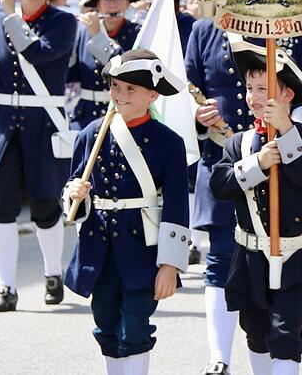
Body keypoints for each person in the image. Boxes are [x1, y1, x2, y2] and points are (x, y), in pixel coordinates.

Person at [186, 0, 302, 375]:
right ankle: (219, 356)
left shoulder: (295, 21)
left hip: (289, 150)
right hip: (229, 150)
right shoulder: (205, 30)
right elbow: (190, 88)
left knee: (283, 326)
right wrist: (200, 119)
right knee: (223, 260)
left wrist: (288, 133)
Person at [63, 49, 190, 375]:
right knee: (105, 324)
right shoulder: (91, 133)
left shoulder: (168, 142)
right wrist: (74, 194)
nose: (120, 95)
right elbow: (71, 193)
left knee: (135, 326)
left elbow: (177, 206)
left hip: (142, 248)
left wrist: (170, 265)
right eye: (116, 87)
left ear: (153, 95)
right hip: (99, 246)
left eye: (131, 89)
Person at [0, 0, 77, 312]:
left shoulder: (63, 22)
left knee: (46, 205)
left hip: (43, 125)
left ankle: (51, 273)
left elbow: (37, 54)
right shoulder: (1, 22)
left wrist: (10, 17)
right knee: (0, 207)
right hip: (3, 126)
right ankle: (5, 286)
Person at [68, 0, 143, 130]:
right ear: (98, 5)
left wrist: (97, 36)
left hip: (124, 116)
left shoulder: (137, 33)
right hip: (86, 117)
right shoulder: (83, 31)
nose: (112, 4)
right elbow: (70, 74)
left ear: (127, 4)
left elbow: (125, 70)